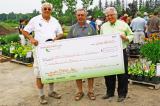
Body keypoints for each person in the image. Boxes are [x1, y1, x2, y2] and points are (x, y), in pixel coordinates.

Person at [22, 2, 64, 104]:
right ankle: (41, 95)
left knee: (51, 71)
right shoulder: (35, 20)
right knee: (39, 74)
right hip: (39, 51)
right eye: (45, 8)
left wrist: (56, 38)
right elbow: (24, 31)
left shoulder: (55, 21)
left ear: (51, 10)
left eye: (49, 9)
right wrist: (31, 39)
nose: (47, 10)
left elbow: (61, 33)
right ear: (42, 10)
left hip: (52, 51)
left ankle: (51, 91)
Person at [100, 7, 134, 102]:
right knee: (108, 73)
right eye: (108, 15)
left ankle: (122, 94)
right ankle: (110, 92)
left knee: (122, 74)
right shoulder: (103, 26)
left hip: (120, 52)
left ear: (116, 15)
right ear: (106, 17)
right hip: (107, 53)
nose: (110, 17)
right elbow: (101, 39)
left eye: (112, 15)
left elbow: (131, 35)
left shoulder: (123, 24)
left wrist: (126, 38)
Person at [67, 8, 97, 101]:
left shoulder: (91, 27)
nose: (80, 17)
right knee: (77, 73)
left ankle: (90, 91)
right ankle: (80, 91)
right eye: (78, 15)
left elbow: (96, 40)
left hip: (89, 55)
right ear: (76, 16)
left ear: (85, 16)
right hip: (77, 56)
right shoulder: (73, 28)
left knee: (90, 73)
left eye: (82, 15)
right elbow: (68, 42)